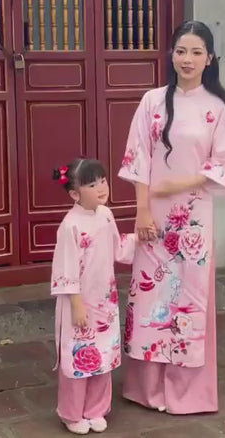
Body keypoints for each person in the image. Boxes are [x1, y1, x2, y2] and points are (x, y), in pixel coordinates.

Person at [118, 20, 225, 414]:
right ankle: (148, 389)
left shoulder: (216, 107)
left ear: (209, 59)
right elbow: (137, 159)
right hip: (152, 217)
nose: (187, 59)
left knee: (188, 301)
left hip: (193, 222)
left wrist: (180, 184)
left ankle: (186, 393)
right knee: (151, 297)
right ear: (171, 55)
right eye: (181, 51)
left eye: (196, 52)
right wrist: (140, 212)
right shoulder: (152, 101)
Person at [50, 157, 136, 434]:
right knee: (78, 356)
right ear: (75, 194)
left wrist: (141, 238)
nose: (101, 188)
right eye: (91, 184)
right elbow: (65, 268)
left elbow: (118, 248)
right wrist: (75, 304)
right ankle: (71, 413)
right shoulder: (70, 226)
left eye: (102, 181)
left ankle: (96, 410)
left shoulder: (106, 215)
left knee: (103, 354)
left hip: (105, 300)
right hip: (79, 301)